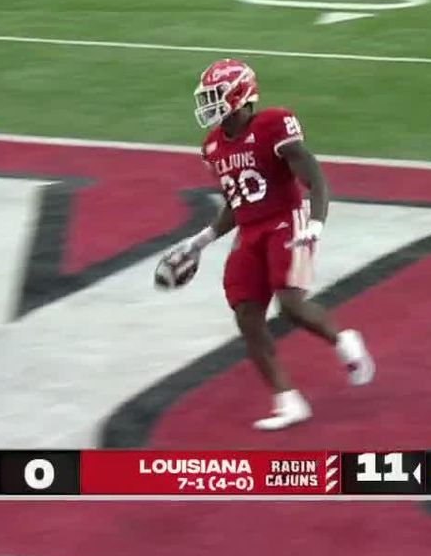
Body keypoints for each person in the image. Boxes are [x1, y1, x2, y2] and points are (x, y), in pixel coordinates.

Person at [157, 59, 375, 431]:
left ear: (238, 95)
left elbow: (316, 178)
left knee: (290, 304)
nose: (208, 103)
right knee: (247, 315)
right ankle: (288, 399)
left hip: (287, 220)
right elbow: (238, 201)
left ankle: (343, 340)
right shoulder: (212, 145)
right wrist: (202, 239)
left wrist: (317, 224)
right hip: (250, 231)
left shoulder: (273, 124)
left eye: (215, 95)